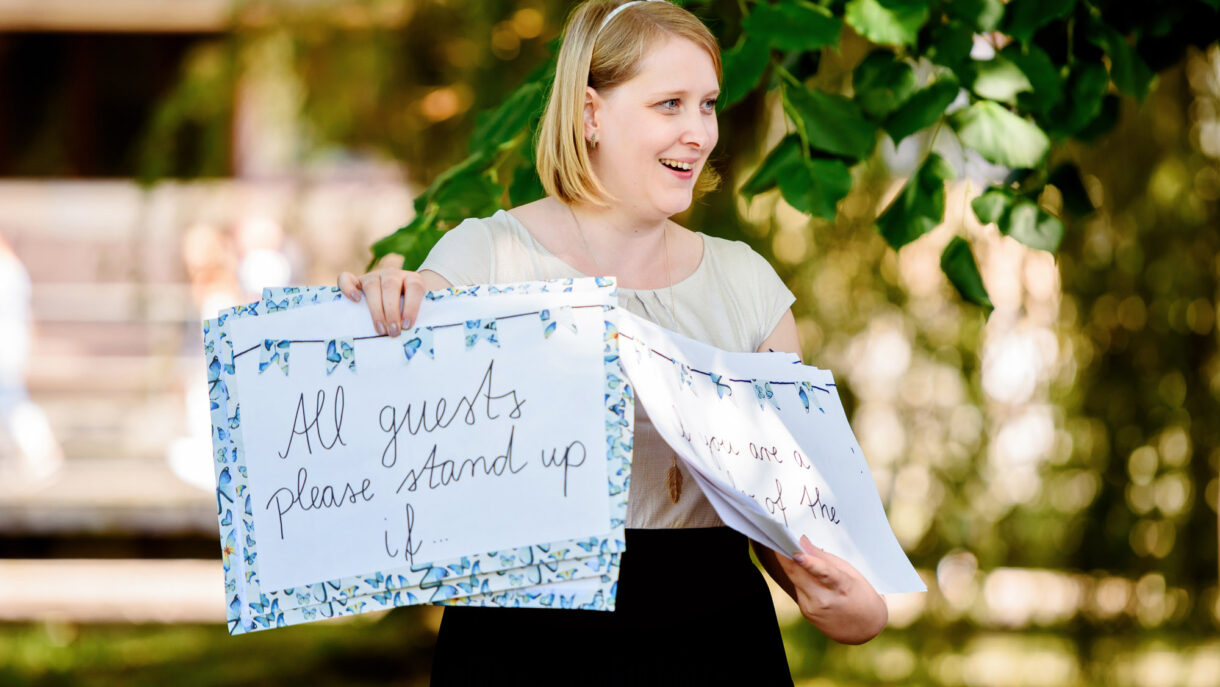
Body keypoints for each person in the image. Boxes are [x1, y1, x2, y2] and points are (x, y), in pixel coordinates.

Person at [338, 1, 887, 682]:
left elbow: (774, 506)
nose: (698, 132)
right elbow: (398, 439)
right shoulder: (485, 257)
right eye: (670, 104)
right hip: (522, 636)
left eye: (708, 104)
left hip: (712, 632)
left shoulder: (748, 286)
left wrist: (843, 594)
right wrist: (386, 310)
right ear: (591, 113)